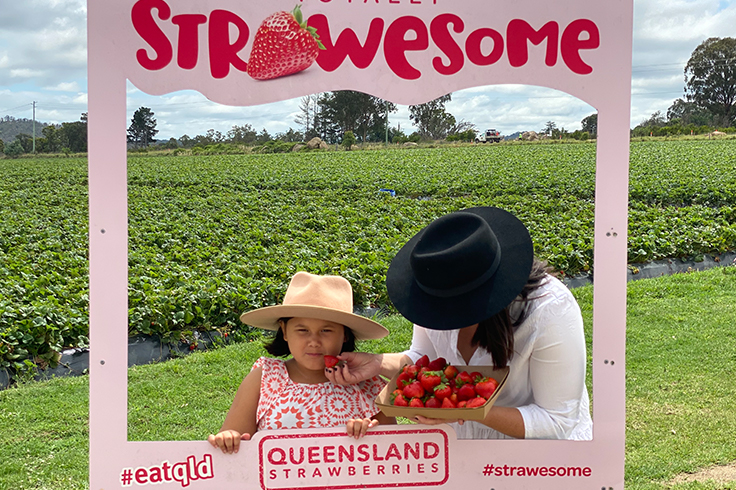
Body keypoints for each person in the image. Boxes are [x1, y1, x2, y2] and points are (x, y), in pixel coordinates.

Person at [325, 207, 592, 441]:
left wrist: (468, 410)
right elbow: (424, 357)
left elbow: (557, 421)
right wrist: (379, 363)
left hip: (541, 462)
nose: (441, 316)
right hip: (464, 452)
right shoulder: (435, 293)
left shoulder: (548, 308)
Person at [208, 271, 395, 454]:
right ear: (285, 331)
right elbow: (237, 439)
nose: (314, 341)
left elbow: (393, 449)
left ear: (345, 334)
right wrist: (228, 438)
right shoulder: (264, 379)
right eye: (302, 330)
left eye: (326, 331)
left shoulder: (368, 384)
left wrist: (369, 434)